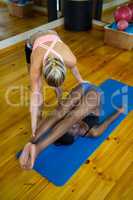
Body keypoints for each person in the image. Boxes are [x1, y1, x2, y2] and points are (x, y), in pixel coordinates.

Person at [19, 82, 124, 170]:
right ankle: (36, 148)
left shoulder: (64, 122)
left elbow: (54, 118)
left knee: (60, 112)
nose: (74, 126)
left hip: (83, 87)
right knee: (74, 116)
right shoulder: (92, 132)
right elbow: (108, 121)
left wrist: (35, 135)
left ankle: (32, 142)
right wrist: (119, 111)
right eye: (73, 129)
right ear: (76, 136)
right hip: (95, 94)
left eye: (69, 127)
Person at [25, 30, 85, 137]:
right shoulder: (36, 65)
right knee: (36, 90)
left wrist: (81, 80)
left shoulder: (70, 59)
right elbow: (34, 99)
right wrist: (33, 127)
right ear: (43, 72)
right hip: (31, 45)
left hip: (52, 37)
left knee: (57, 86)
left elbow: (74, 68)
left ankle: (61, 104)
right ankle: (39, 118)